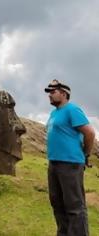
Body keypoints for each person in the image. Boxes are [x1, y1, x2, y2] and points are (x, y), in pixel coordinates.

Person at [45, 79, 95, 236]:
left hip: (70, 164)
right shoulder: (54, 113)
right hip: (54, 164)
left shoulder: (72, 109)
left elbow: (90, 133)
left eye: (53, 92)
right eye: (49, 93)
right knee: (58, 204)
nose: (50, 96)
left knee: (74, 206)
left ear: (64, 94)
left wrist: (85, 154)